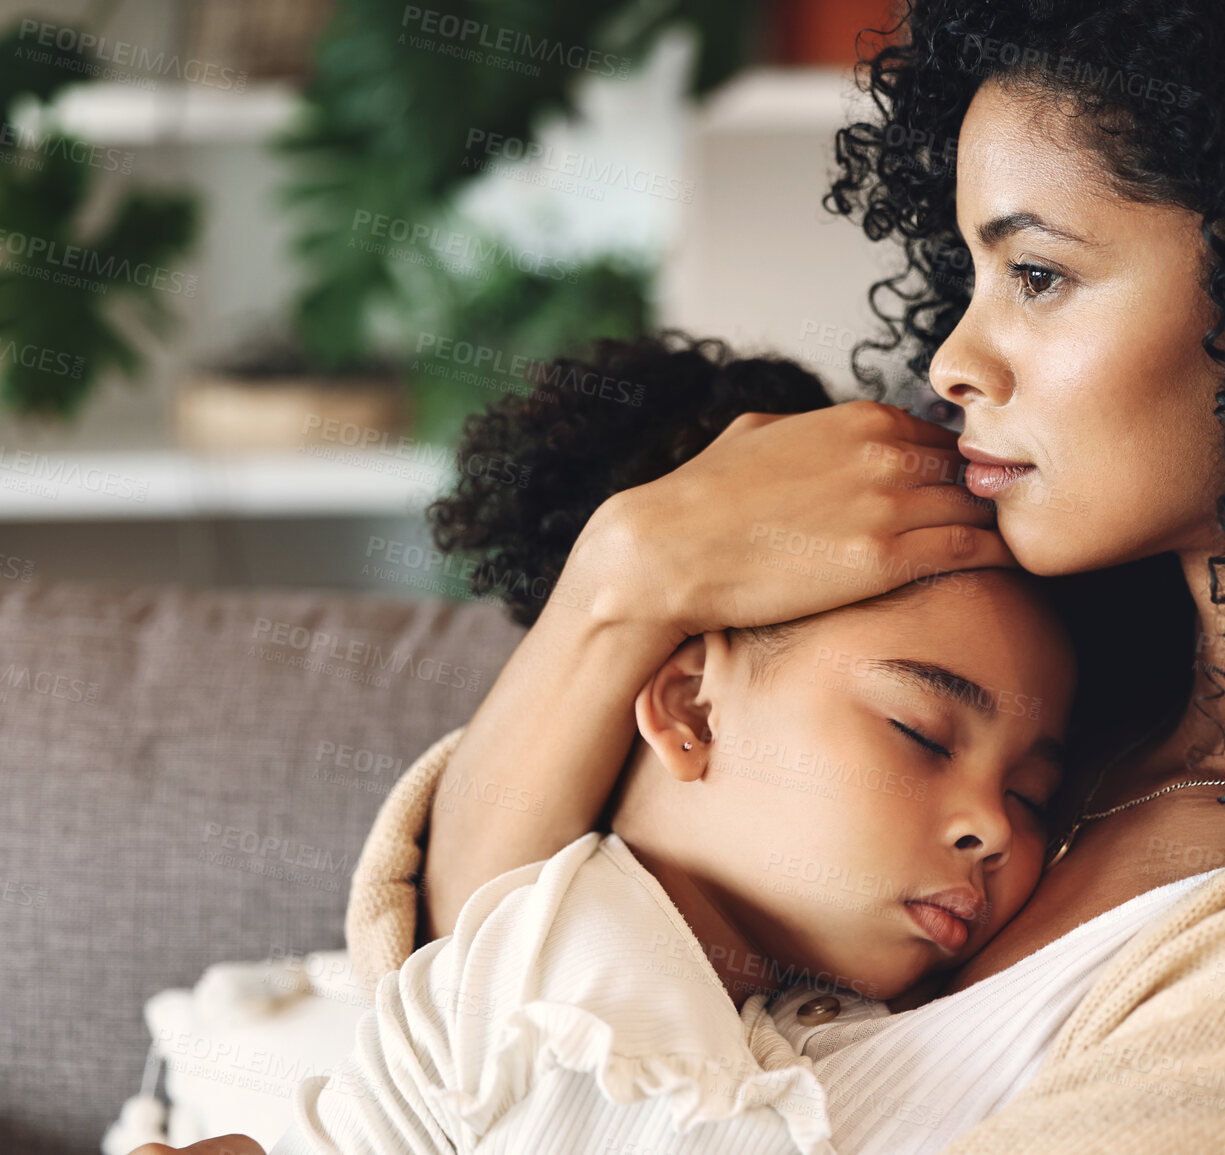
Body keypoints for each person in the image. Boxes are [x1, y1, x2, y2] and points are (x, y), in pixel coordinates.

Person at [139, 1, 1225, 1152]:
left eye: (1037, 274)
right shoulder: (1028, 665)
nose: (953, 356)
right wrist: (628, 576)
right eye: (966, 269)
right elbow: (486, 977)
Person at [266, 334, 1086, 1154]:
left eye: (1030, 795)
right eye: (920, 734)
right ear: (690, 706)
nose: (996, 826)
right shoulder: (587, 989)